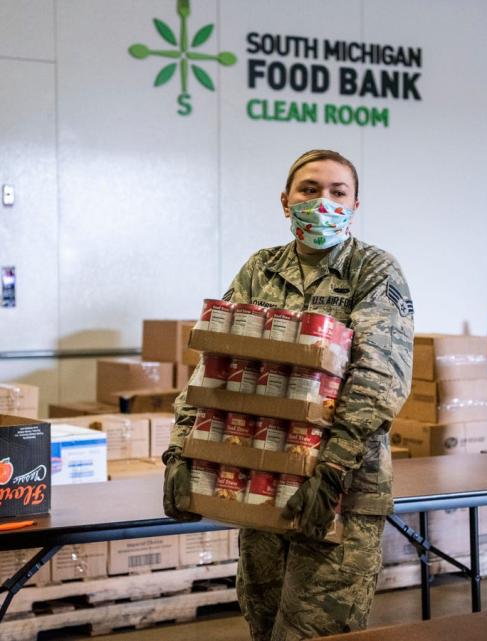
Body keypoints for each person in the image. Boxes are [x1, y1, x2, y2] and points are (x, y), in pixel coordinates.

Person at [162, 149, 414, 640]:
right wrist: (182, 448)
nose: (323, 202)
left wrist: (333, 469)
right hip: (260, 478)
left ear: (355, 204)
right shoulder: (262, 268)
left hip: (340, 491)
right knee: (262, 620)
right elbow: (216, 366)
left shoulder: (373, 270)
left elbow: (378, 379)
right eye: (309, 190)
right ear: (285, 201)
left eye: (338, 192)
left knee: (314, 631)